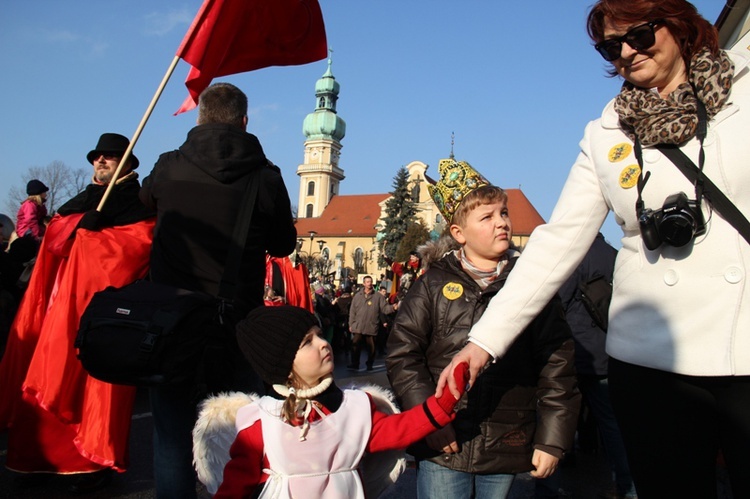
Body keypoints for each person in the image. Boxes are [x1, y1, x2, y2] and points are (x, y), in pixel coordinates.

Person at [438, 2, 750, 498]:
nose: (626, 52)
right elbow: (557, 241)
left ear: (680, 25)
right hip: (652, 362)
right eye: (611, 46)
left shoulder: (744, 93)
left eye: (640, 35)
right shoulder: (606, 133)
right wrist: (483, 341)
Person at [386, 157, 580, 499]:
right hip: (445, 442)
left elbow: (558, 365)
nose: (501, 223)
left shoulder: (532, 286)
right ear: (459, 233)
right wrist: (428, 418)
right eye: (487, 217)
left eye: (503, 213)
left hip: (508, 441)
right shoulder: (432, 284)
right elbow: (403, 356)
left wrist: (552, 439)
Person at [139, 81, 297, 498]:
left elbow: (143, 203)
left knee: (171, 439)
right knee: (235, 440)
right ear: (245, 122)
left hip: (170, 323)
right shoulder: (265, 178)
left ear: (199, 117)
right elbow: (283, 244)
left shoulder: (168, 166)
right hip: (235, 325)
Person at [0, 132, 155, 492]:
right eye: (98, 156)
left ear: (128, 164)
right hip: (55, 312)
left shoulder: (138, 203)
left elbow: (133, 250)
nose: (101, 161)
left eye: (111, 157)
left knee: (90, 386)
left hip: (97, 315)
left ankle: (87, 464)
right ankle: (37, 461)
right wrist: (72, 229)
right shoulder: (83, 199)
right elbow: (53, 237)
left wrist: (91, 240)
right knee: (40, 382)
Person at [193, 305, 469, 498]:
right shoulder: (262, 422)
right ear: (284, 367)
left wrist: (441, 404)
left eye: (320, 335)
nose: (323, 344)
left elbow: (396, 431)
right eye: (307, 342)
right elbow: (235, 486)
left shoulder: (355, 408)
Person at [347, 275, 396, 371]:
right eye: (367, 282)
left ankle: (370, 364)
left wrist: (393, 307)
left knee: (371, 347)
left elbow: (385, 309)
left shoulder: (378, 296)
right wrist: (351, 324)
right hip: (358, 326)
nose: (369, 283)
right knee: (355, 345)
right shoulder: (357, 296)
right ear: (363, 283)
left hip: (371, 326)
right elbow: (352, 311)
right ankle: (354, 363)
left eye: (371, 281)